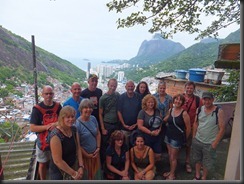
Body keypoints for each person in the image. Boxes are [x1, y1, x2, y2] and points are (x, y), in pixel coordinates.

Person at [29, 85, 62, 180]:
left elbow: (62, 120)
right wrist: (47, 127)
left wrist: (55, 124)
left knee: (56, 161)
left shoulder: (58, 106)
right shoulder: (37, 109)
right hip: (43, 140)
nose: (49, 96)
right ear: (42, 95)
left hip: (56, 139)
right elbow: (32, 128)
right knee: (42, 163)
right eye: (46, 94)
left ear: (53, 94)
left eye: (50, 93)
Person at [192, 92, 225, 180]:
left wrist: (215, 143)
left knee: (207, 162)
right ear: (202, 100)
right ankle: (197, 175)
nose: (207, 101)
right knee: (197, 159)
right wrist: (194, 136)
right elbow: (195, 123)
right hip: (198, 140)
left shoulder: (218, 111)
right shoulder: (199, 109)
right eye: (205, 99)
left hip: (209, 143)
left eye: (209, 99)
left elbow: (222, 128)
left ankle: (204, 177)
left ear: (212, 100)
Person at [48, 106, 84, 180]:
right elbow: (58, 161)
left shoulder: (73, 129)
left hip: (73, 167)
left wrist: (81, 166)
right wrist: (74, 174)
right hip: (59, 173)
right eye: (68, 117)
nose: (71, 119)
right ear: (62, 118)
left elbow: (78, 149)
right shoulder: (56, 135)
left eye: (72, 117)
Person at [162, 93, 191, 180]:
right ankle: (171, 171)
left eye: (180, 100)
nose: (177, 101)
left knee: (173, 157)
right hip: (168, 136)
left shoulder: (184, 113)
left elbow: (188, 128)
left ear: (182, 102)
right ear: (174, 100)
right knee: (170, 155)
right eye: (176, 99)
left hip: (177, 138)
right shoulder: (171, 110)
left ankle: (172, 175)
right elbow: (166, 119)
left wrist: (184, 139)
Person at [75, 98, 102, 180]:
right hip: (85, 157)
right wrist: (87, 155)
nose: (88, 110)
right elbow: (77, 144)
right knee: (87, 177)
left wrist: (98, 148)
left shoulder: (93, 118)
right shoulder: (77, 124)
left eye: (90, 107)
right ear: (81, 109)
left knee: (95, 176)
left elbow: (98, 134)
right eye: (86, 108)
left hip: (95, 155)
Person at [182, 81, 203, 173]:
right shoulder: (180, 97)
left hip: (191, 127)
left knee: (188, 145)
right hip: (179, 126)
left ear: (194, 89)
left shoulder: (198, 100)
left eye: (191, 88)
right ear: (185, 88)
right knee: (177, 145)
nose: (189, 90)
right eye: (188, 87)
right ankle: (174, 162)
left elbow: (202, 113)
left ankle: (187, 162)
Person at [99, 78, 120, 166]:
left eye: (114, 86)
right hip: (107, 123)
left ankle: (114, 163)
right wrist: (103, 128)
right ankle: (105, 165)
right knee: (106, 145)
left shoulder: (118, 95)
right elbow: (100, 114)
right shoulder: (103, 98)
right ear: (108, 85)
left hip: (116, 123)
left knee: (116, 144)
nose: (113, 87)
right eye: (111, 85)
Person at [136, 94, 163, 162]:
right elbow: (140, 126)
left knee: (158, 154)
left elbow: (160, 121)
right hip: (146, 135)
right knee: (147, 153)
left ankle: (153, 166)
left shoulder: (157, 111)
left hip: (157, 135)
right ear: (145, 103)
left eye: (152, 102)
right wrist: (150, 132)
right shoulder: (142, 112)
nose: (151, 104)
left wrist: (159, 130)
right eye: (149, 102)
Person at [117, 80, 142, 147]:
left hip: (136, 127)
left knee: (136, 146)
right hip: (124, 128)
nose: (130, 88)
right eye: (128, 86)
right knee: (125, 146)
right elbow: (119, 112)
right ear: (125, 87)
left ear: (134, 87)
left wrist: (136, 124)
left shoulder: (139, 97)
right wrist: (124, 124)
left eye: (131, 86)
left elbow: (141, 112)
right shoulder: (121, 97)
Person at [153, 81, 173, 153]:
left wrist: (167, 117)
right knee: (157, 136)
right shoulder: (154, 96)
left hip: (166, 120)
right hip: (156, 120)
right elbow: (152, 108)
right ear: (158, 88)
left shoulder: (169, 98)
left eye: (163, 88)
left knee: (165, 135)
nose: (162, 90)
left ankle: (165, 151)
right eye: (160, 88)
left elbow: (171, 109)